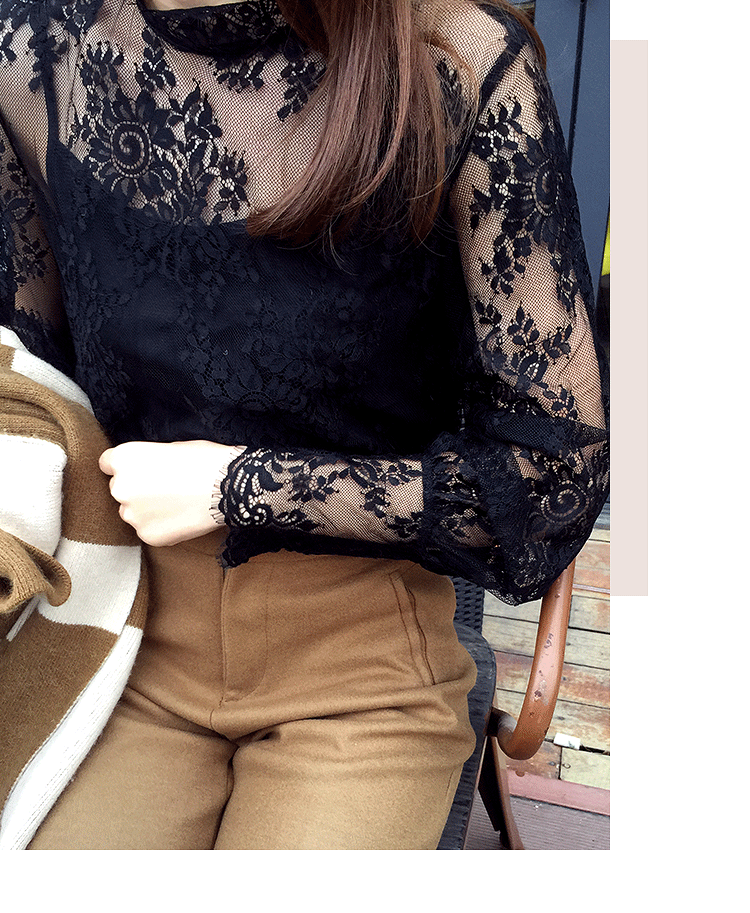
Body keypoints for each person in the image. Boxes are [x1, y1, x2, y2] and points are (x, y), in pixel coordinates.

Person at [0, 0, 609, 849]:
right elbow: (30, 382)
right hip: (119, 634)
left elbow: (555, 475)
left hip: (364, 666)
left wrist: (240, 486)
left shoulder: (458, 60)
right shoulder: (37, 56)